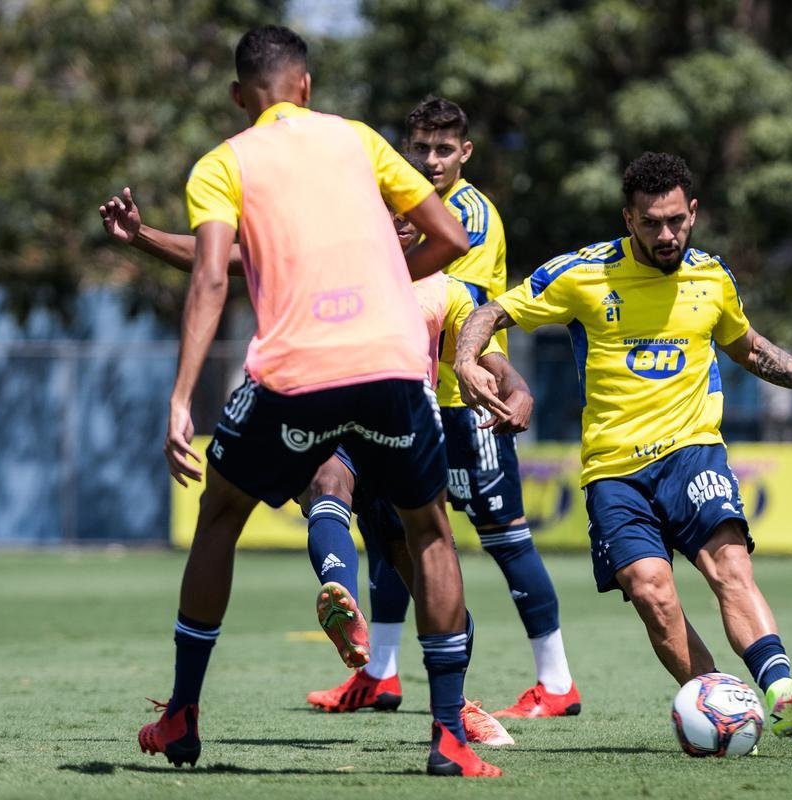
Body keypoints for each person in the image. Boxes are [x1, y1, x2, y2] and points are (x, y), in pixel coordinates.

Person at [137, 25, 499, 777]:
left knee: (222, 514)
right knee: (428, 530)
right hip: (393, 366)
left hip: (296, 374)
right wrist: (385, 285)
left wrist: (180, 397)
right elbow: (452, 235)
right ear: (306, 86)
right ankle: (449, 739)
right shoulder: (359, 140)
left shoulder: (221, 163)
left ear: (241, 97)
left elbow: (211, 276)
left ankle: (181, 716)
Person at [454, 151, 792, 738]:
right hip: (613, 472)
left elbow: (749, 347)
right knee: (653, 594)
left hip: (693, 451)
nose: (666, 234)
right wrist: (465, 358)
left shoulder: (713, 276)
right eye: (651, 222)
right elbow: (491, 310)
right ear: (628, 218)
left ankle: (781, 689)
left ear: (694, 212)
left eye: (676, 220)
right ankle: (728, 710)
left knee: (730, 564)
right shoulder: (581, 274)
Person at [99, 176, 522, 747]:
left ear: (417, 226)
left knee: (424, 569)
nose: (397, 222)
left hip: (402, 425)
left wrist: (510, 385)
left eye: (404, 215)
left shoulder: (445, 288)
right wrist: (144, 235)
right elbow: (227, 257)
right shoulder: (332, 265)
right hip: (361, 418)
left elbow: (481, 343)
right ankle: (340, 593)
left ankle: (458, 702)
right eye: (386, 213)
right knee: (331, 484)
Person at [360, 96, 576, 719]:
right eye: (420, 148)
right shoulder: (397, 204)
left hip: (467, 399)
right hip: (409, 394)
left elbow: (465, 305)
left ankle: (556, 682)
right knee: (391, 533)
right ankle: (380, 673)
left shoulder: (471, 215)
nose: (430, 161)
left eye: (443, 150)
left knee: (505, 538)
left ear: (466, 153)